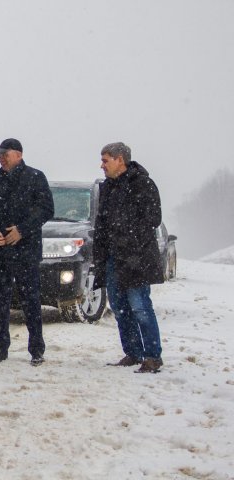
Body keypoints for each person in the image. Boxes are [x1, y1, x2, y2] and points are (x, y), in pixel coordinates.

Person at [0, 138, 54, 366]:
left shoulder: (35, 177)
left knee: (30, 300)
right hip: (1, 253)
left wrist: (22, 230)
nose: (1, 158)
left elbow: (46, 209)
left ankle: (36, 350)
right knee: (0, 302)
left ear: (19, 155)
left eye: (5, 154)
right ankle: (0, 348)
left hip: (26, 251)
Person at [93, 142, 164, 373]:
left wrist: (127, 237)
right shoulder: (107, 187)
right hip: (113, 258)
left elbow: (152, 218)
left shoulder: (142, 184)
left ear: (120, 160)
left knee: (140, 307)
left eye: (105, 160)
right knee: (119, 307)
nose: (102, 165)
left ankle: (152, 356)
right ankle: (132, 352)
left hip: (136, 258)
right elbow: (102, 223)